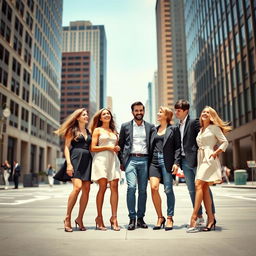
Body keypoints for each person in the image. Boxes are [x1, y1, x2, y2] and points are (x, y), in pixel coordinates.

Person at [187, 106, 231, 233]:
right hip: (201, 159)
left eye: (208, 112)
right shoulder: (201, 130)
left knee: (198, 184)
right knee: (204, 189)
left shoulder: (214, 128)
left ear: (212, 116)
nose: (205, 113)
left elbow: (225, 142)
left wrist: (216, 152)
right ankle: (211, 219)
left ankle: (194, 217)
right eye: (203, 112)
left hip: (209, 158)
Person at [174, 99, 215, 225]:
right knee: (192, 190)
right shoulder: (178, 126)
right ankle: (199, 216)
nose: (176, 113)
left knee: (205, 189)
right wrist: (177, 162)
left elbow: (205, 135)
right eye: (175, 110)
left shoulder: (194, 122)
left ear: (186, 111)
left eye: (179, 111)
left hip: (197, 161)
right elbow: (178, 145)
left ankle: (211, 216)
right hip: (184, 162)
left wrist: (208, 152)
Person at [54, 108, 92, 232]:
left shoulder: (89, 131)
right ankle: (67, 217)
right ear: (77, 117)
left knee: (87, 190)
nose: (87, 116)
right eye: (84, 115)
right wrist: (69, 164)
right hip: (76, 159)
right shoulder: (72, 130)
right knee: (77, 187)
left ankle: (80, 218)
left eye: (87, 114)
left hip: (87, 161)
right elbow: (66, 147)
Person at [118, 101, 155, 230]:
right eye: (136, 110)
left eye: (141, 110)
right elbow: (120, 145)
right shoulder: (125, 126)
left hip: (145, 160)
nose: (139, 113)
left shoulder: (151, 127)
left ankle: (140, 218)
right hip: (131, 160)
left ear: (143, 111)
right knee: (131, 188)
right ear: (132, 112)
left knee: (143, 190)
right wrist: (122, 161)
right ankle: (132, 218)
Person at [149, 106, 181, 231]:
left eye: (160, 112)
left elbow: (178, 147)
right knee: (153, 188)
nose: (158, 113)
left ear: (167, 115)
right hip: (154, 162)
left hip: (167, 162)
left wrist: (176, 163)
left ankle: (169, 217)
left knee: (168, 190)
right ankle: (159, 217)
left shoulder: (173, 129)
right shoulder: (154, 130)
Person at [90, 108, 121, 231]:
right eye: (104, 114)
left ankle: (114, 218)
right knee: (102, 188)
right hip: (101, 160)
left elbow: (116, 146)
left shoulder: (114, 131)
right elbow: (92, 147)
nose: (107, 115)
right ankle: (99, 217)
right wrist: (108, 147)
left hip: (113, 160)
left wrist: (116, 147)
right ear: (100, 118)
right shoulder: (97, 130)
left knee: (114, 187)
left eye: (108, 113)